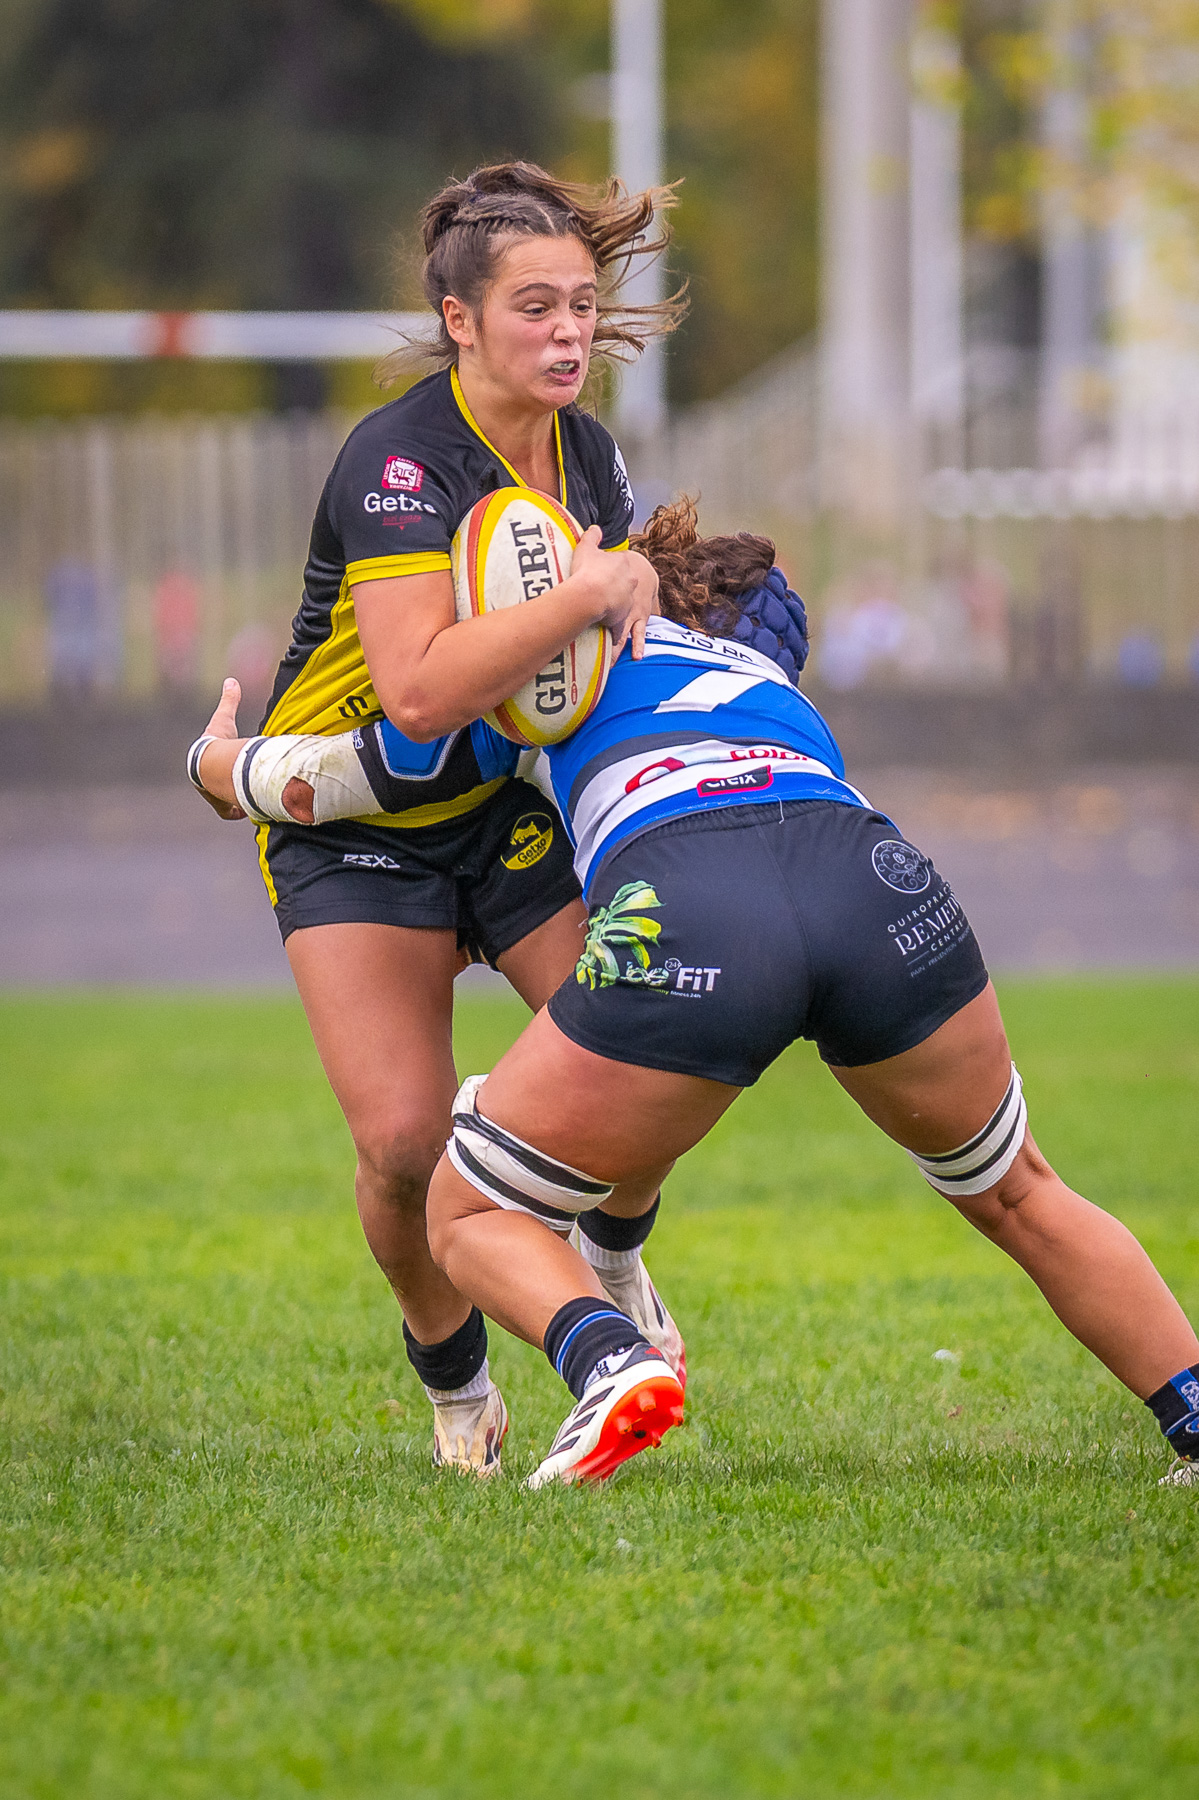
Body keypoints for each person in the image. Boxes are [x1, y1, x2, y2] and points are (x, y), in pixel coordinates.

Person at [194, 501, 1199, 1492]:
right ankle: (1189, 1409)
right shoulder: (766, 683)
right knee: (1019, 1189)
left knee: (463, 1206)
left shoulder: (560, 660)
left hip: (694, 895)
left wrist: (223, 765)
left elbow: (363, 775)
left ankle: (608, 1360)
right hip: (870, 879)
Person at [187, 161, 687, 1478]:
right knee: (405, 1143)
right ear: (459, 320)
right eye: (534, 307)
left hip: (498, 811)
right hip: (351, 815)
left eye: (582, 304)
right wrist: (587, 594)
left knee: (644, 1031)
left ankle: (611, 1253)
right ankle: (456, 1384)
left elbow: (584, 685)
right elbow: (413, 696)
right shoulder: (397, 459)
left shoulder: (591, 459)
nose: (569, 332)